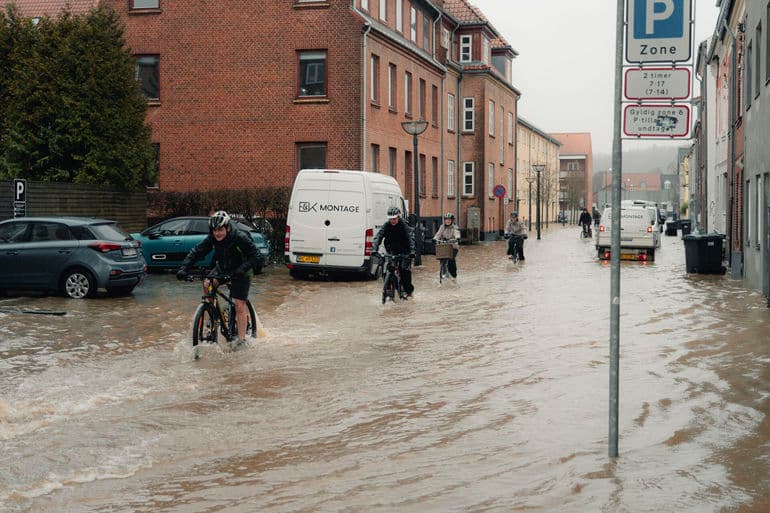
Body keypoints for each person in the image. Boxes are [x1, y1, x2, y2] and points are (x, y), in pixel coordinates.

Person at [176, 210, 260, 346]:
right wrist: (183, 268)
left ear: (227, 228)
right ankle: (211, 311)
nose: (217, 233)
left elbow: (256, 256)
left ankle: (241, 340)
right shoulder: (212, 238)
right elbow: (197, 251)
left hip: (242, 270)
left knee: (239, 305)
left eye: (220, 230)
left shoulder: (239, 237)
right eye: (215, 230)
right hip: (223, 268)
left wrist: (241, 270)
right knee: (207, 283)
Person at [371, 206, 415, 298]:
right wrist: (374, 249)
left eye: (394, 219)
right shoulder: (386, 225)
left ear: (398, 217)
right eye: (390, 219)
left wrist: (412, 251)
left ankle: (408, 291)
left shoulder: (404, 225)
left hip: (405, 251)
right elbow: (378, 236)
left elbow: (410, 238)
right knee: (388, 268)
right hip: (391, 250)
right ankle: (388, 287)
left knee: (404, 270)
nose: (392, 221)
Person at [433, 212, 461, 279]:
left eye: (449, 220)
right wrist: (435, 239)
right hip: (444, 246)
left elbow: (456, 233)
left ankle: (454, 275)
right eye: (446, 219)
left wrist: (457, 238)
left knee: (451, 259)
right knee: (442, 260)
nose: (447, 221)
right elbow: (438, 234)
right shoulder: (442, 227)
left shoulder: (455, 227)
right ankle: (442, 276)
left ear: (452, 220)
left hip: (453, 246)